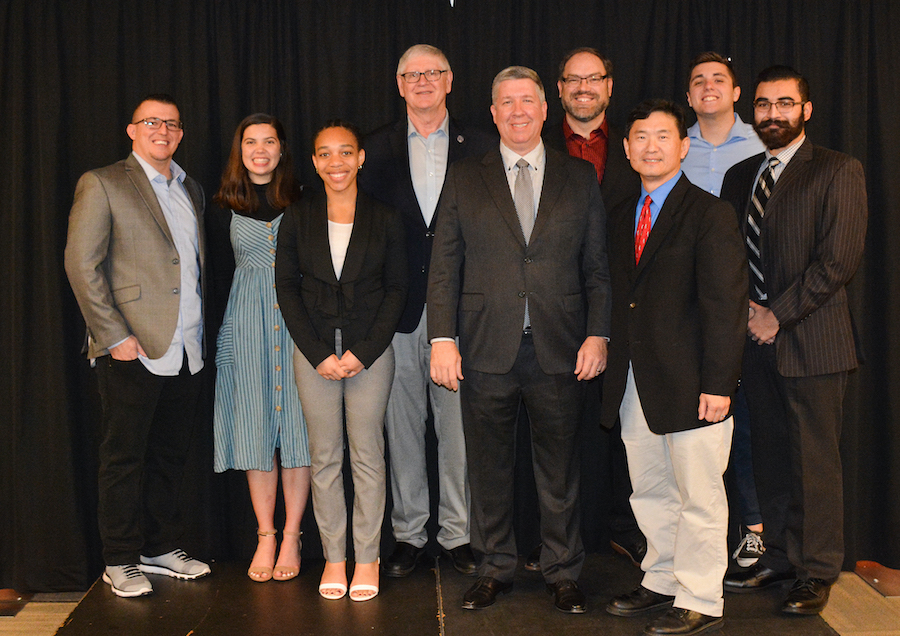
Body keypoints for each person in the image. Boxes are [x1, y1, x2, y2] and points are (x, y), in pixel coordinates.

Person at [428, 66, 610, 614]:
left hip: (560, 346)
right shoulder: (464, 177)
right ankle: (494, 567)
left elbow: (597, 268)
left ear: (544, 108)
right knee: (488, 468)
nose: (517, 111)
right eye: (506, 103)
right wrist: (442, 337)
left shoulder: (579, 178)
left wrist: (598, 333)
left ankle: (562, 571)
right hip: (485, 347)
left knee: (559, 471)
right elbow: (445, 266)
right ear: (492, 113)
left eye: (526, 101)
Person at [721, 66, 868, 615]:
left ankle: (817, 569)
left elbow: (839, 260)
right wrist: (745, 314)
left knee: (815, 461)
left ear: (806, 110)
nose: (773, 114)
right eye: (763, 105)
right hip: (755, 345)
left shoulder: (837, 170)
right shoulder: (741, 176)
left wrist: (776, 314)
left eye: (785, 103)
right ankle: (780, 555)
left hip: (813, 341)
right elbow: (730, 258)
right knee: (772, 458)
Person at [602, 99, 746, 636]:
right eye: (640, 137)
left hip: (695, 385)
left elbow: (725, 306)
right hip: (636, 380)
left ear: (683, 147)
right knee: (651, 490)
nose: (650, 146)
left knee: (700, 496)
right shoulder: (622, 216)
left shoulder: (710, 213)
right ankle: (661, 578)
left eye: (662, 136)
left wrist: (719, 384)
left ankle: (701, 597)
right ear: (627, 148)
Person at [64, 94, 211, 597]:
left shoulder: (191, 187)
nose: (162, 131)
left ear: (181, 133)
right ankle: (120, 558)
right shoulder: (102, 183)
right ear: (132, 130)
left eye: (171, 124)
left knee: (170, 456)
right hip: (132, 347)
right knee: (123, 458)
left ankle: (159, 546)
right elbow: (82, 265)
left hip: (187, 346)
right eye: (152, 122)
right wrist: (113, 336)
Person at [359, 44, 494, 578]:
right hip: (397, 314)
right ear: (398, 84)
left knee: (458, 430)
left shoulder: (483, 146)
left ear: (450, 79)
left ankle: (459, 534)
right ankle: (409, 533)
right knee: (401, 428)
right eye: (412, 74)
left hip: (462, 316)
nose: (422, 81)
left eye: (432, 72)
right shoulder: (373, 150)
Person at [275, 121, 407, 602]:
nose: (336, 162)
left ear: (360, 158)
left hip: (370, 350)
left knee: (368, 456)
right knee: (325, 457)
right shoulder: (297, 216)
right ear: (314, 161)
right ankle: (335, 557)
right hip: (313, 351)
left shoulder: (387, 218)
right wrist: (317, 354)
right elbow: (286, 289)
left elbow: (397, 290)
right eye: (326, 154)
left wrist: (362, 352)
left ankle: (367, 558)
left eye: (345, 153)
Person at [535, 46, 645, 571]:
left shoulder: (635, 146)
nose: (583, 87)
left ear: (609, 86)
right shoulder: (532, 142)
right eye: (572, 79)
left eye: (593, 78)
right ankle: (551, 537)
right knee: (551, 431)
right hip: (545, 312)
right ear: (558, 89)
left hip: (622, 308)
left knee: (618, 425)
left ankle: (619, 530)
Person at [207, 114, 311, 583]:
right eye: (251, 141)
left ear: (282, 149)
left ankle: (293, 536)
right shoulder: (221, 204)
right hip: (245, 324)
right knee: (254, 431)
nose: (261, 149)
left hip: (298, 326)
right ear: (240, 149)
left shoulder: (304, 199)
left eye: (270, 140)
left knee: (298, 432)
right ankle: (265, 535)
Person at [681, 51, 768, 569]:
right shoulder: (675, 146)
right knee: (692, 424)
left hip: (748, 301)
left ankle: (753, 526)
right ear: (689, 96)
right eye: (699, 81)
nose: (709, 87)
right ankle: (694, 538)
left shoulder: (763, 144)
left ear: (737, 94)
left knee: (748, 422)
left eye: (719, 80)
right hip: (684, 305)